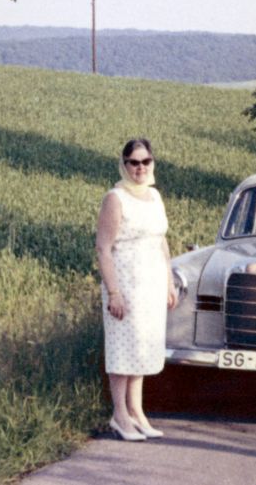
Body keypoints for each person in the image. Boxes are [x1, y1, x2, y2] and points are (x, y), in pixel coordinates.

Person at [95, 138, 179, 441]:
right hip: (125, 285)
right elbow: (103, 249)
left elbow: (161, 241)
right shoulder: (115, 198)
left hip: (152, 286)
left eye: (145, 162)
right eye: (134, 162)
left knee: (142, 347)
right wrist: (114, 293)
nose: (140, 168)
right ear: (124, 164)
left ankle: (137, 412)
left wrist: (169, 281)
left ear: (152, 163)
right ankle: (119, 415)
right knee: (122, 347)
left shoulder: (154, 197)